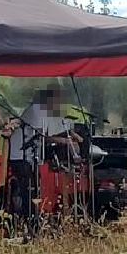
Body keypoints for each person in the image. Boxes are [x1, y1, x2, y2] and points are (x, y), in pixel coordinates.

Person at [7, 87, 83, 222]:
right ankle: (28, 219)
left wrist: (71, 134)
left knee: (34, 188)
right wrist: (63, 140)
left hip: (30, 157)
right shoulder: (36, 110)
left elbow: (52, 132)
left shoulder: (44, 112)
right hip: (20, 155)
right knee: (28, 189)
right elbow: (42, 137)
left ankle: (33, 217)